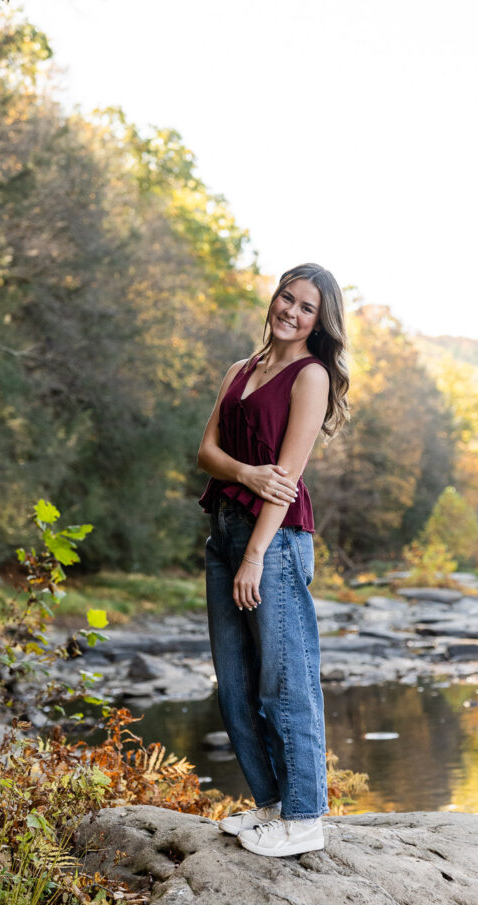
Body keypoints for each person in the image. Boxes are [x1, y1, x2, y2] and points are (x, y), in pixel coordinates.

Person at [197, 262, 349, 857]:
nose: (291, 310)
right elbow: (207, 452)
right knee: (233, 683)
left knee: (284, 682)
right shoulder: (240, 370)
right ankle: (272, 805)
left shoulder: (311, 377)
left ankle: (306, 815)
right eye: (287, 297)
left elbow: (285, 482)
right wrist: (244, 473)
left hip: (275, 541)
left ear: (319, 322)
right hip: (224, 531)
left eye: (306, 306)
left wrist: (256, 555)